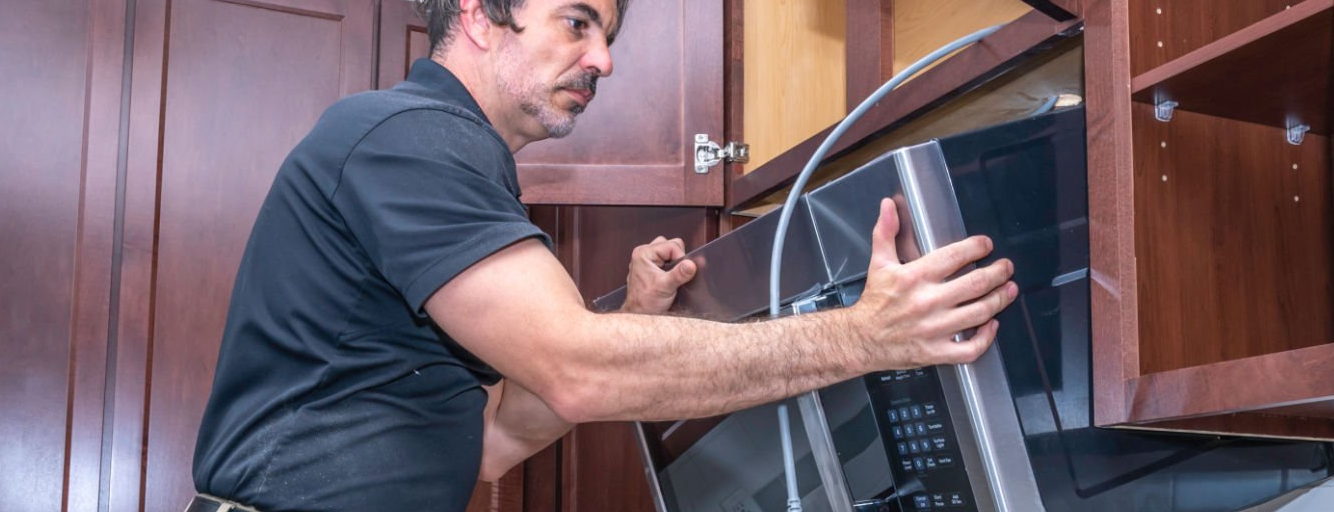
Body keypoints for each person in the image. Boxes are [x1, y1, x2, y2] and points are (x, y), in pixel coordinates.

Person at [188, 0, 1018, 510]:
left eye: (607, 34)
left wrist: (630, 317)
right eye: (577, 22)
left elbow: (491, 439)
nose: (605, 61)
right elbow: (578, 372)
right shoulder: (407, 138)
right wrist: (863, 336)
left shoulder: (449, 158)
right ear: (479, 14)